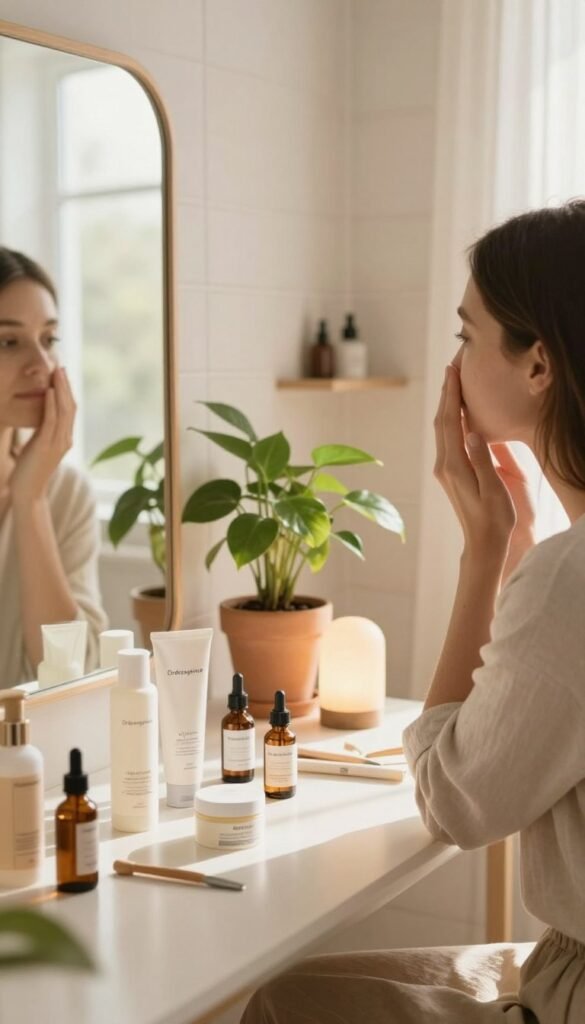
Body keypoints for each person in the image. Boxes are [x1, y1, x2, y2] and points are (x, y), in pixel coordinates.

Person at [241, 200, 585, 1023]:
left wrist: (482, 554)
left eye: (465, 336)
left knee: (282, 1006)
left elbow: (454, 803)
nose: (454, 361)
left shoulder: (569, 576)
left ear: (538, 364)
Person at [0, 246, 107, 686]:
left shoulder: (64, 494)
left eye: (49, 339)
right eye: (8, 342)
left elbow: (73, 674)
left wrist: (31, 501)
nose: (41, 365)